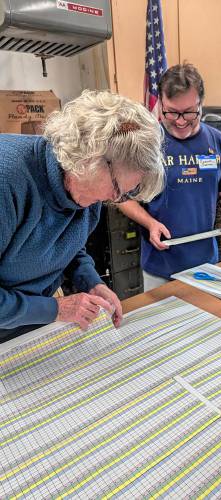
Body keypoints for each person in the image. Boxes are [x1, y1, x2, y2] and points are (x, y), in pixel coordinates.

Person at [0, 90, 164, 342]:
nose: (114, 199)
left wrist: (91, 282)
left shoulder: (88, 189)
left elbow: (67, 246)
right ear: (89, 158)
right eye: (118, 189)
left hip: (29, 325)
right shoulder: (7, 181)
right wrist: (56, 309)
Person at [119, 63, 221, 291]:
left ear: (201, 105)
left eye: (189, 112)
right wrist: (151, 223)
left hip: (206, 263)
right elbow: (123, 197)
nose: (181, 120)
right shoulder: (148, 143)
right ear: (161, 104)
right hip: (160, 265)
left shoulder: (217, 142)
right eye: (172, 112)